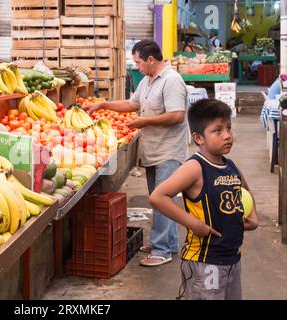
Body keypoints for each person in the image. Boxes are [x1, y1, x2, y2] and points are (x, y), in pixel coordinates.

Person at [84, 39, 188, 267]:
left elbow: (177, 115)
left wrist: (144, 121)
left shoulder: (172, 81)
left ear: (151, 60)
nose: (137, 67)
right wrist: (103, 105)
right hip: (153, 150)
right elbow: (132, 104)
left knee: (161, 200)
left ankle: (162, 250)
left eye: (139, 62)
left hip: (169, 151)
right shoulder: (148, 81)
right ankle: (168, 244)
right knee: (160, 200)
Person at [149, 99, 259, 300]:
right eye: (217, 130)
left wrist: (253, 215)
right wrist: (193, 224)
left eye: (229, 128)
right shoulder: (195, 167)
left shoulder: (230, 165)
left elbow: (245, 190)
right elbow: (158, 197)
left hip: (232, 258)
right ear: (198, 138)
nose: (227, 135)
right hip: (205, 261)